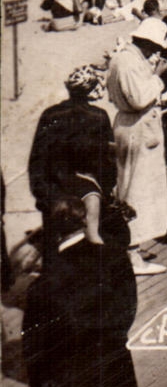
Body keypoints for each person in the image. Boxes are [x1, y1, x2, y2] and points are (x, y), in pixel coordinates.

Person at [22, 195, 139, 387]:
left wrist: (41, 381)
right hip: (111, 374)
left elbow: (34, 345)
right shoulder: (114, 257)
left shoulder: (43, 285)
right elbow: (127, 311)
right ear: (83, 220)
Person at [106, 15, 167, 275]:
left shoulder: (126, 58)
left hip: (133, 126)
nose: (155, 52)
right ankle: (131, 251)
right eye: (154, 47)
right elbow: (138, 99)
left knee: (134, 186)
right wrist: (157, 78)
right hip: (137, 128)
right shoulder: (128, 62)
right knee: (136, 190)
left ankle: (132, 245)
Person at [28, 66, 119, 252]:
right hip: (86, 185)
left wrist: (41, 193)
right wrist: (107, 190)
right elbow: (106, 161)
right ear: (92, 90)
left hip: (53, 185)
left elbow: (37, 157)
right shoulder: (98, 116)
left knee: (54, 243)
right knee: (92, 239)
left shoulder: (50, 113)